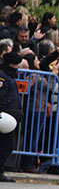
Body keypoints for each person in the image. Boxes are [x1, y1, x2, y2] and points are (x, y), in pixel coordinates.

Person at [0, 52, 22, 182]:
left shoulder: (9, 76)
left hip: (9, 118)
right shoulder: (3, 77)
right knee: (5, 145)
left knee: (6, 145)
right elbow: (1, 96)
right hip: (4, 117)